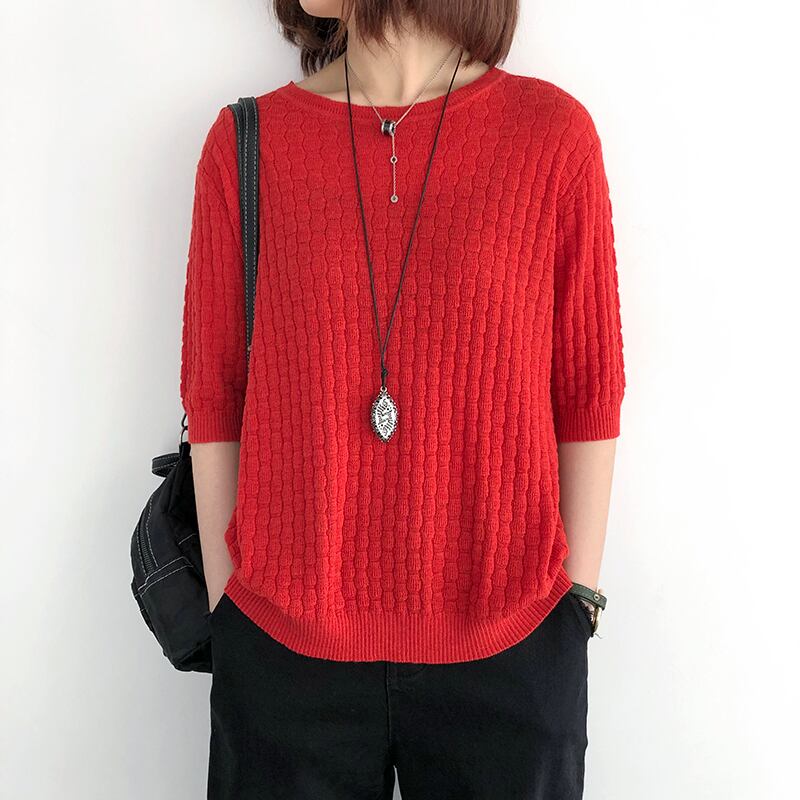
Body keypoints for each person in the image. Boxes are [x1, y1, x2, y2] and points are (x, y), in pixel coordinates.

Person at [180, 1, 625, 797]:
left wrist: (577, 603)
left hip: (511, 649)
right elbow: (214, 394)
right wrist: (230, 611)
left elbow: (588, 386)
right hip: (284, 654)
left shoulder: (552, 137)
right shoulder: (246, 144)